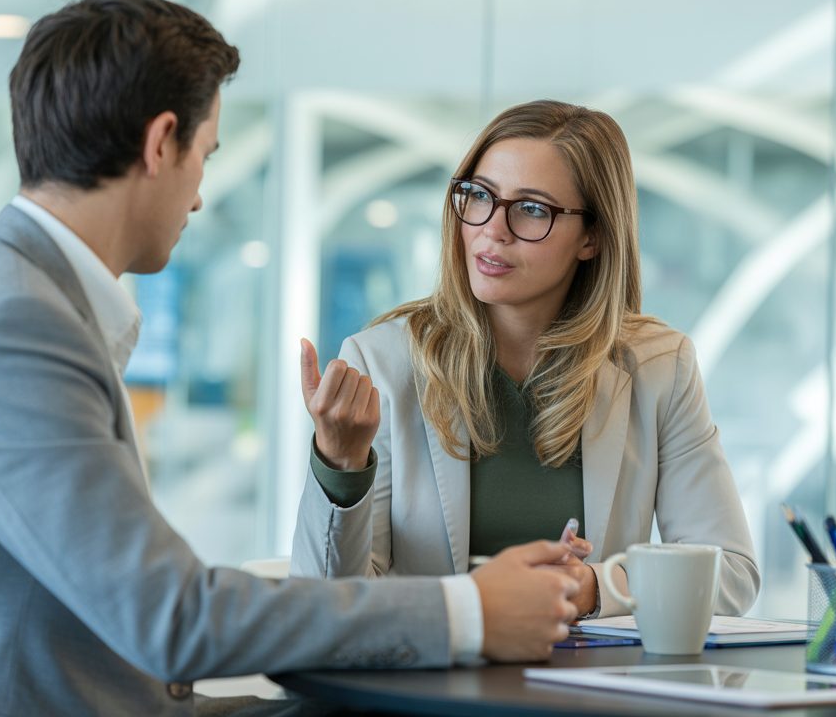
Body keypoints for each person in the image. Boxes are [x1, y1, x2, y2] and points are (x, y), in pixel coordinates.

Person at [0, 0, 583, 717]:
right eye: (206, 154)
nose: (199, 196)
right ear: (161, 143)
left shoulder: (15, 293)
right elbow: (170, 618)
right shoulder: (12, 330)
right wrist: (468, 612)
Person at [291, 100, 760, 620]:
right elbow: (323, 609)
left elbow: (732, 574)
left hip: (590, 695)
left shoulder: (659, 366)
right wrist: (339, 463)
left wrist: (592, 588)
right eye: (480, 196)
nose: (493, 229)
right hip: (431, 693)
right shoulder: (382, 361)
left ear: (593, 237)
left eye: (532, 209)